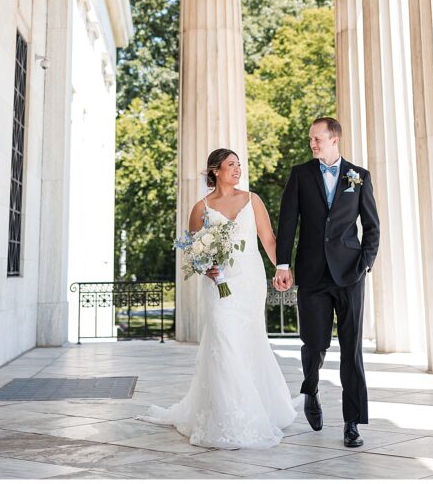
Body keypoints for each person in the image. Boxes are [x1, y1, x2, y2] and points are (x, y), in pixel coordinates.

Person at [139, 148, 301, 449]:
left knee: (250, 341)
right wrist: (206, 267)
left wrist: (281, 268)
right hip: (218, 285)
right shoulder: (201, 208)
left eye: (239, 165)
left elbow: (268, 239)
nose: (238, 170)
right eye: (231, 165)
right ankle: (228, 417)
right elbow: (191, 251)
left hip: (250, 281)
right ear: (215, 171)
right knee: (223, 340)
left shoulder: (253, 200)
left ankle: (259, 407)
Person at [274, 117, 379, 449]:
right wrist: (283, 263)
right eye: (310, 140)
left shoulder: (358, 176)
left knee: (352, 349)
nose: (312, 144)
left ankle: (351, 424)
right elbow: (288, 219)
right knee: (314, 344)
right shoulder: (300, 175)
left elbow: (372, 225)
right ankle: (311, 390)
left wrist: (365, 263)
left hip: (350, 274)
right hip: (313, 274)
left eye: (317, 138)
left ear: (334, 139)